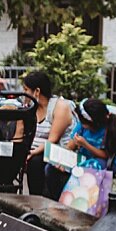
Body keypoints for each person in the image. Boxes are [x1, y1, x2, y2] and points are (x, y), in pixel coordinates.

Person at [20, 69, 76, 200]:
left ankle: (41, 202)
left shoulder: (59, 106)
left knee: (35, 162)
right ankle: (33, 201)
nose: (24, 94)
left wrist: (32, 152)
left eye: (26, 90)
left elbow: (53, 140)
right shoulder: (29, 106)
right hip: (40, 152)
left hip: (60, 152)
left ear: (37, 92)